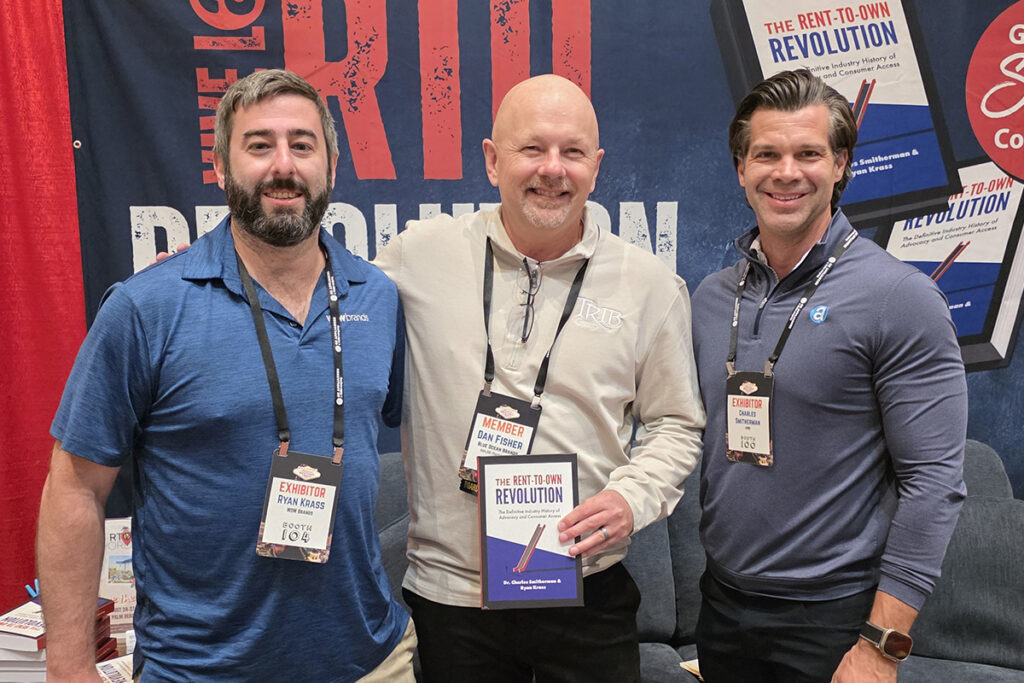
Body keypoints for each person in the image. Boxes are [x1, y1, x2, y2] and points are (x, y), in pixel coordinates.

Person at [36, 69, 413, 682]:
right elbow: (74, 489)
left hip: (370, 662)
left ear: (333, 165)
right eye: (259, 145)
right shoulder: (146, 307)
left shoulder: (379, 296)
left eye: (303, 144)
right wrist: (70, 667)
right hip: (200, 668)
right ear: (220, 166)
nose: (283, 165)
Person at [373, 74, 706, 682]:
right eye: (532, 149)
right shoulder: (416, 256)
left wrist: (631, 499)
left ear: (596, 166)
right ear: (492, 160)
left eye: (572, 152)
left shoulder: (651, 286)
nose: (552, 169)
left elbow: (676, 425)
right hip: (452, 601)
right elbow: (317, 303)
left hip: (585, 590)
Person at [691, 68, 968, 682]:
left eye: (808, 153)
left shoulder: (900, 298)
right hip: (723, 606)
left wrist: (878, 645)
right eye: (766, 153)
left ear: (840, 165)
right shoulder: (712, 298)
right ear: (741, 168)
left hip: (832, 621)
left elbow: (934, 483)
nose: (785, 172)